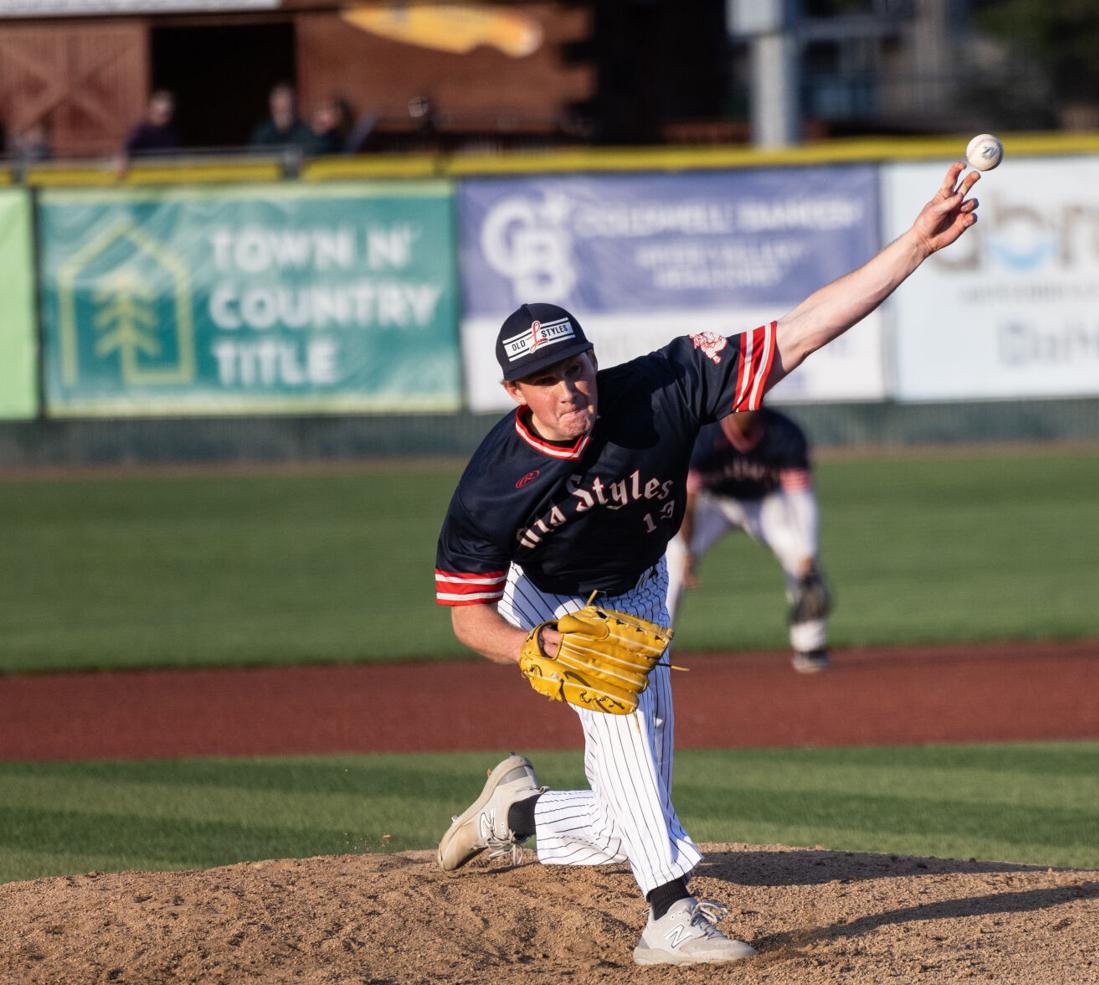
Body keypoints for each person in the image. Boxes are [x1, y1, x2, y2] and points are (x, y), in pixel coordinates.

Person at [431, 162, 981, 966]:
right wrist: (529, 648)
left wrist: (913, 248)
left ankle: (513, 815)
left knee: (629, 817)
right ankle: (669, 914)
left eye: (574, 365)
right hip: (551, 603)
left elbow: (799, 331)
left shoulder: (664, 386)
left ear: (592, 357)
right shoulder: (490, 485)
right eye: (544, 379)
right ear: (517, 391)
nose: (567, 387)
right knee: (618, 730)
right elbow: (464, 612)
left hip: (641, 586)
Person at [665, 408, 834, 673]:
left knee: (799, 554)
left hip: (764, 504)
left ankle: (810, 646)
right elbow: (688, 501)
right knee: (672, 559)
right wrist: (687, 551)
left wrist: (808, 552)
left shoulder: (783, 433)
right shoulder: (704, 435)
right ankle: (657, 648)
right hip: (713, 505)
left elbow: (801, 499)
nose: (747, 408)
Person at [249, 82, 314, 151]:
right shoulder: (262, 133)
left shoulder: (306, 130)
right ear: (272, 106)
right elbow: (253, 155)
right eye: (281, 108)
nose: (285, 107)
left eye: (288, 104)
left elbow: (314, 151)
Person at [122, 90, 181, 157]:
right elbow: (127, 149)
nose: (161, 118)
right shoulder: (141, 130)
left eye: (165, 114)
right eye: (158, 113)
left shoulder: (172, 132)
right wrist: (123, 158)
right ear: (151, 110)